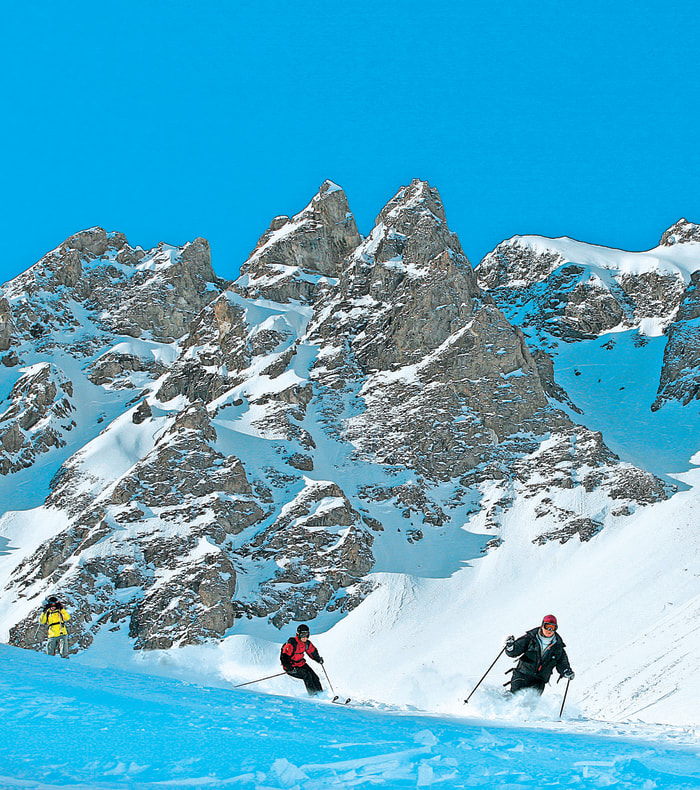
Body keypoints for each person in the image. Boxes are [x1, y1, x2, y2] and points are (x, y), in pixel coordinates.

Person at [504, 614, 574, 695]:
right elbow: (514, 651)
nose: (550, 630)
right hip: (522, 675)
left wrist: (566, 671)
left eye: (553, 628)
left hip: (539, 681)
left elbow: (562, 663)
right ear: (542, 626)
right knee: (514, 697)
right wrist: (510, 647)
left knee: (531, 704)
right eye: (547, 626)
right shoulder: (530, 638)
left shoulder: (558, 647)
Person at [280, 624, 324, 695]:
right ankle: (313, 695)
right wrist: (290, 668)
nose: (305, 637)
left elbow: (312, 652)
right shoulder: (292, 644)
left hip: (301, 663)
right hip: (291, 666)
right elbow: (284, 658)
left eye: (306, 635)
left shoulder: (307, 644)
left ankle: (321, 694)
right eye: (303, 635)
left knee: (314, 677)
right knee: (307, 675)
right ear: (298, 634)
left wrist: (318, 659)